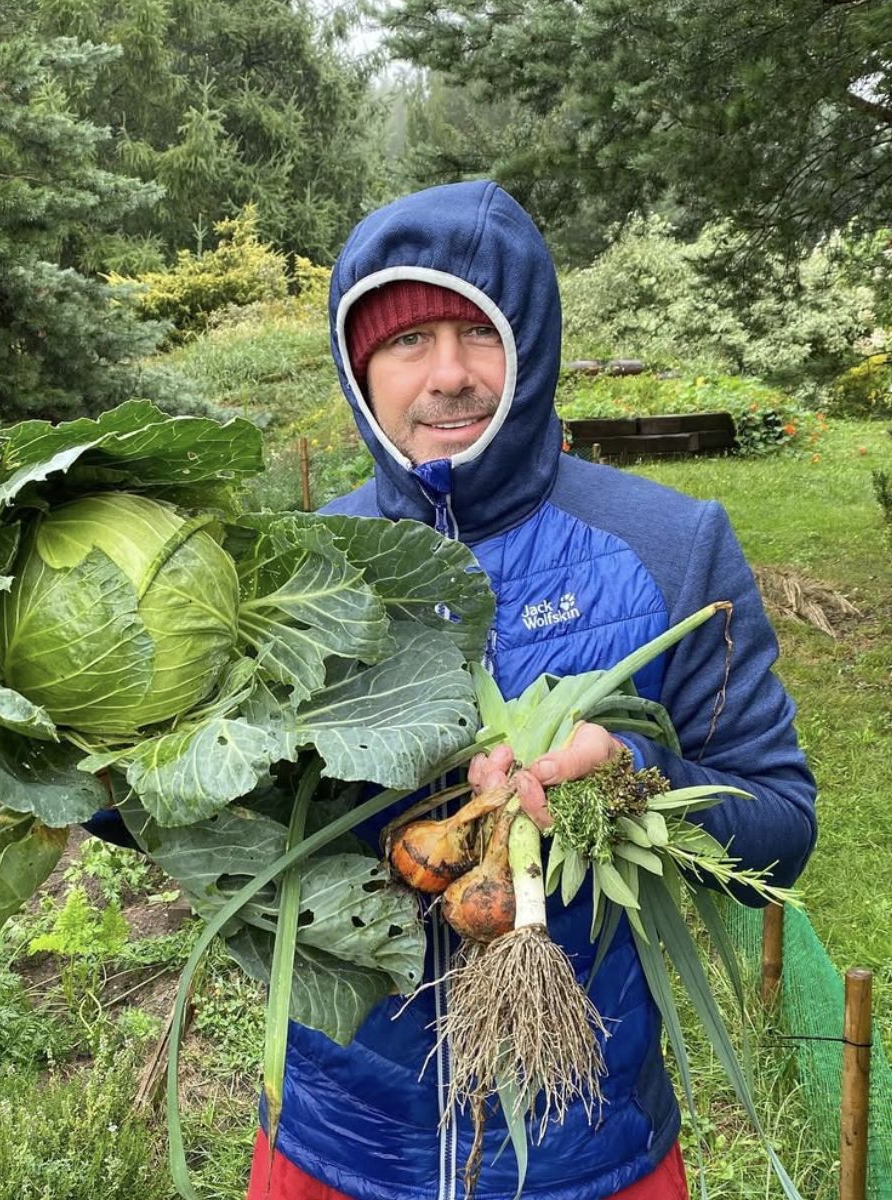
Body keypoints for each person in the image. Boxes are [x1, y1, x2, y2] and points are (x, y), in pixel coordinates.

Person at [244, 181, 818, 1199]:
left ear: (533, 346)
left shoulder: (668, 547)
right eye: (407, 339)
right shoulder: (290, 572)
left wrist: (632, 778)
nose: (449, 375)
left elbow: (780, 823)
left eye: (478, 332)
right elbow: (205, 814)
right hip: (336, 1137)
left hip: (587, 1145)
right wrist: (105, 760)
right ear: (356, 365)